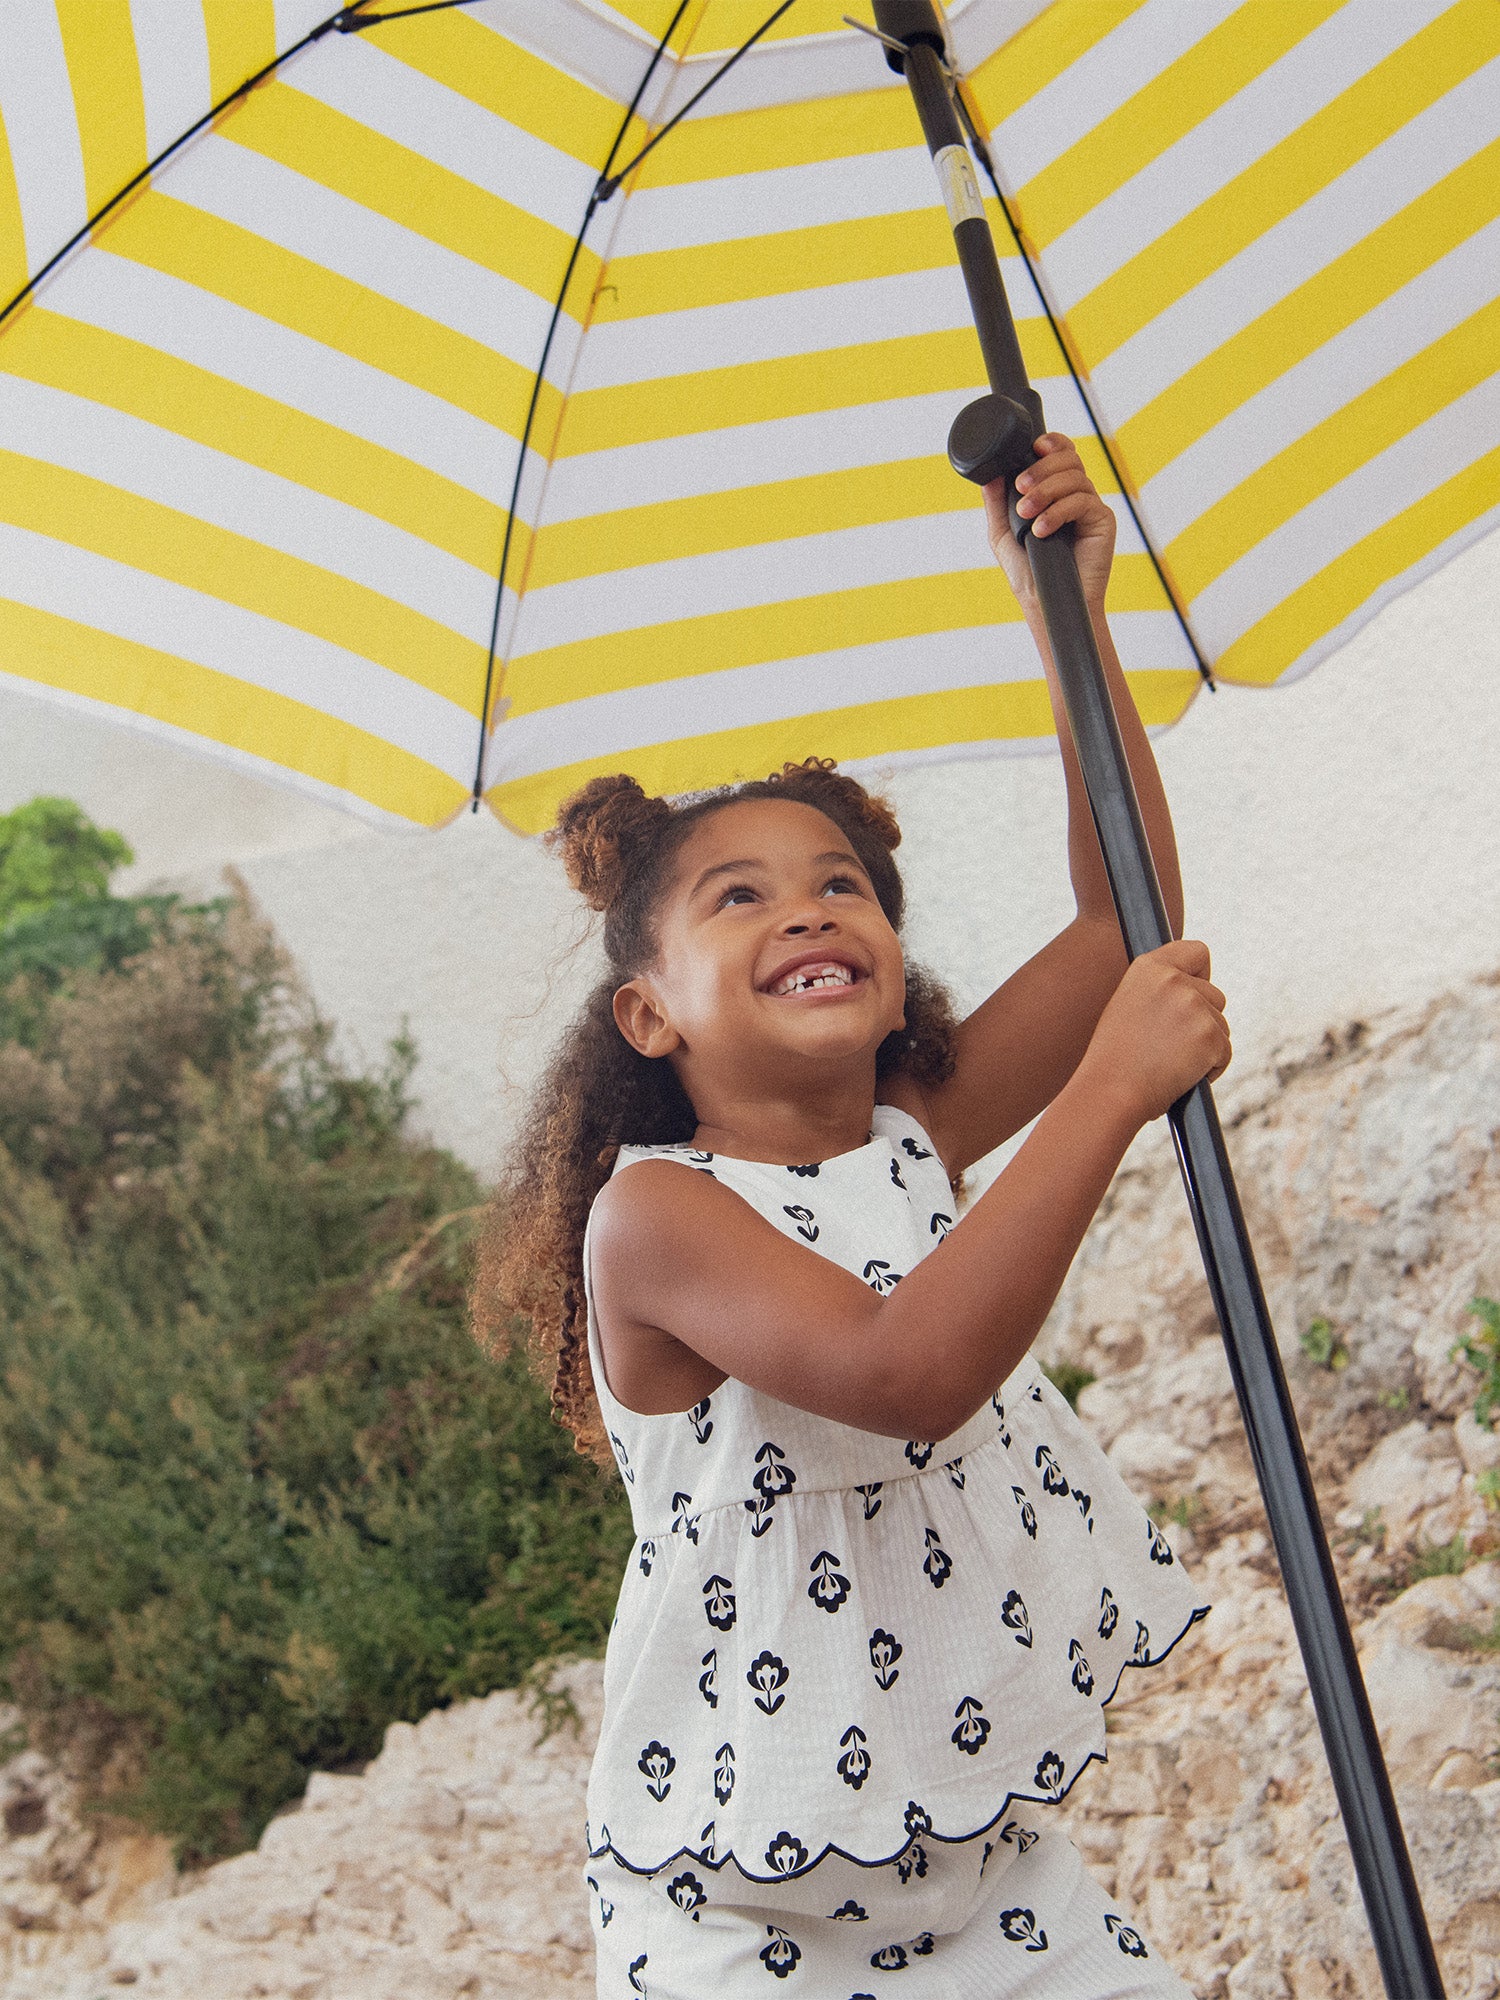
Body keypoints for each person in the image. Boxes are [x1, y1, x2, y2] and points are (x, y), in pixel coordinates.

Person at [474, 437, 1230, 1997]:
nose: (808, 907)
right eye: (735, 898)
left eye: (842, 883)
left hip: (994, 1882)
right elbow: (905, 1376)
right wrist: (1109, 1091)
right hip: (746, 1925)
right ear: (646, 1015)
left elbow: (1119, 922)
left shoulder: (909, 1132)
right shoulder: (660, 1224)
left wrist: (1066, 628)